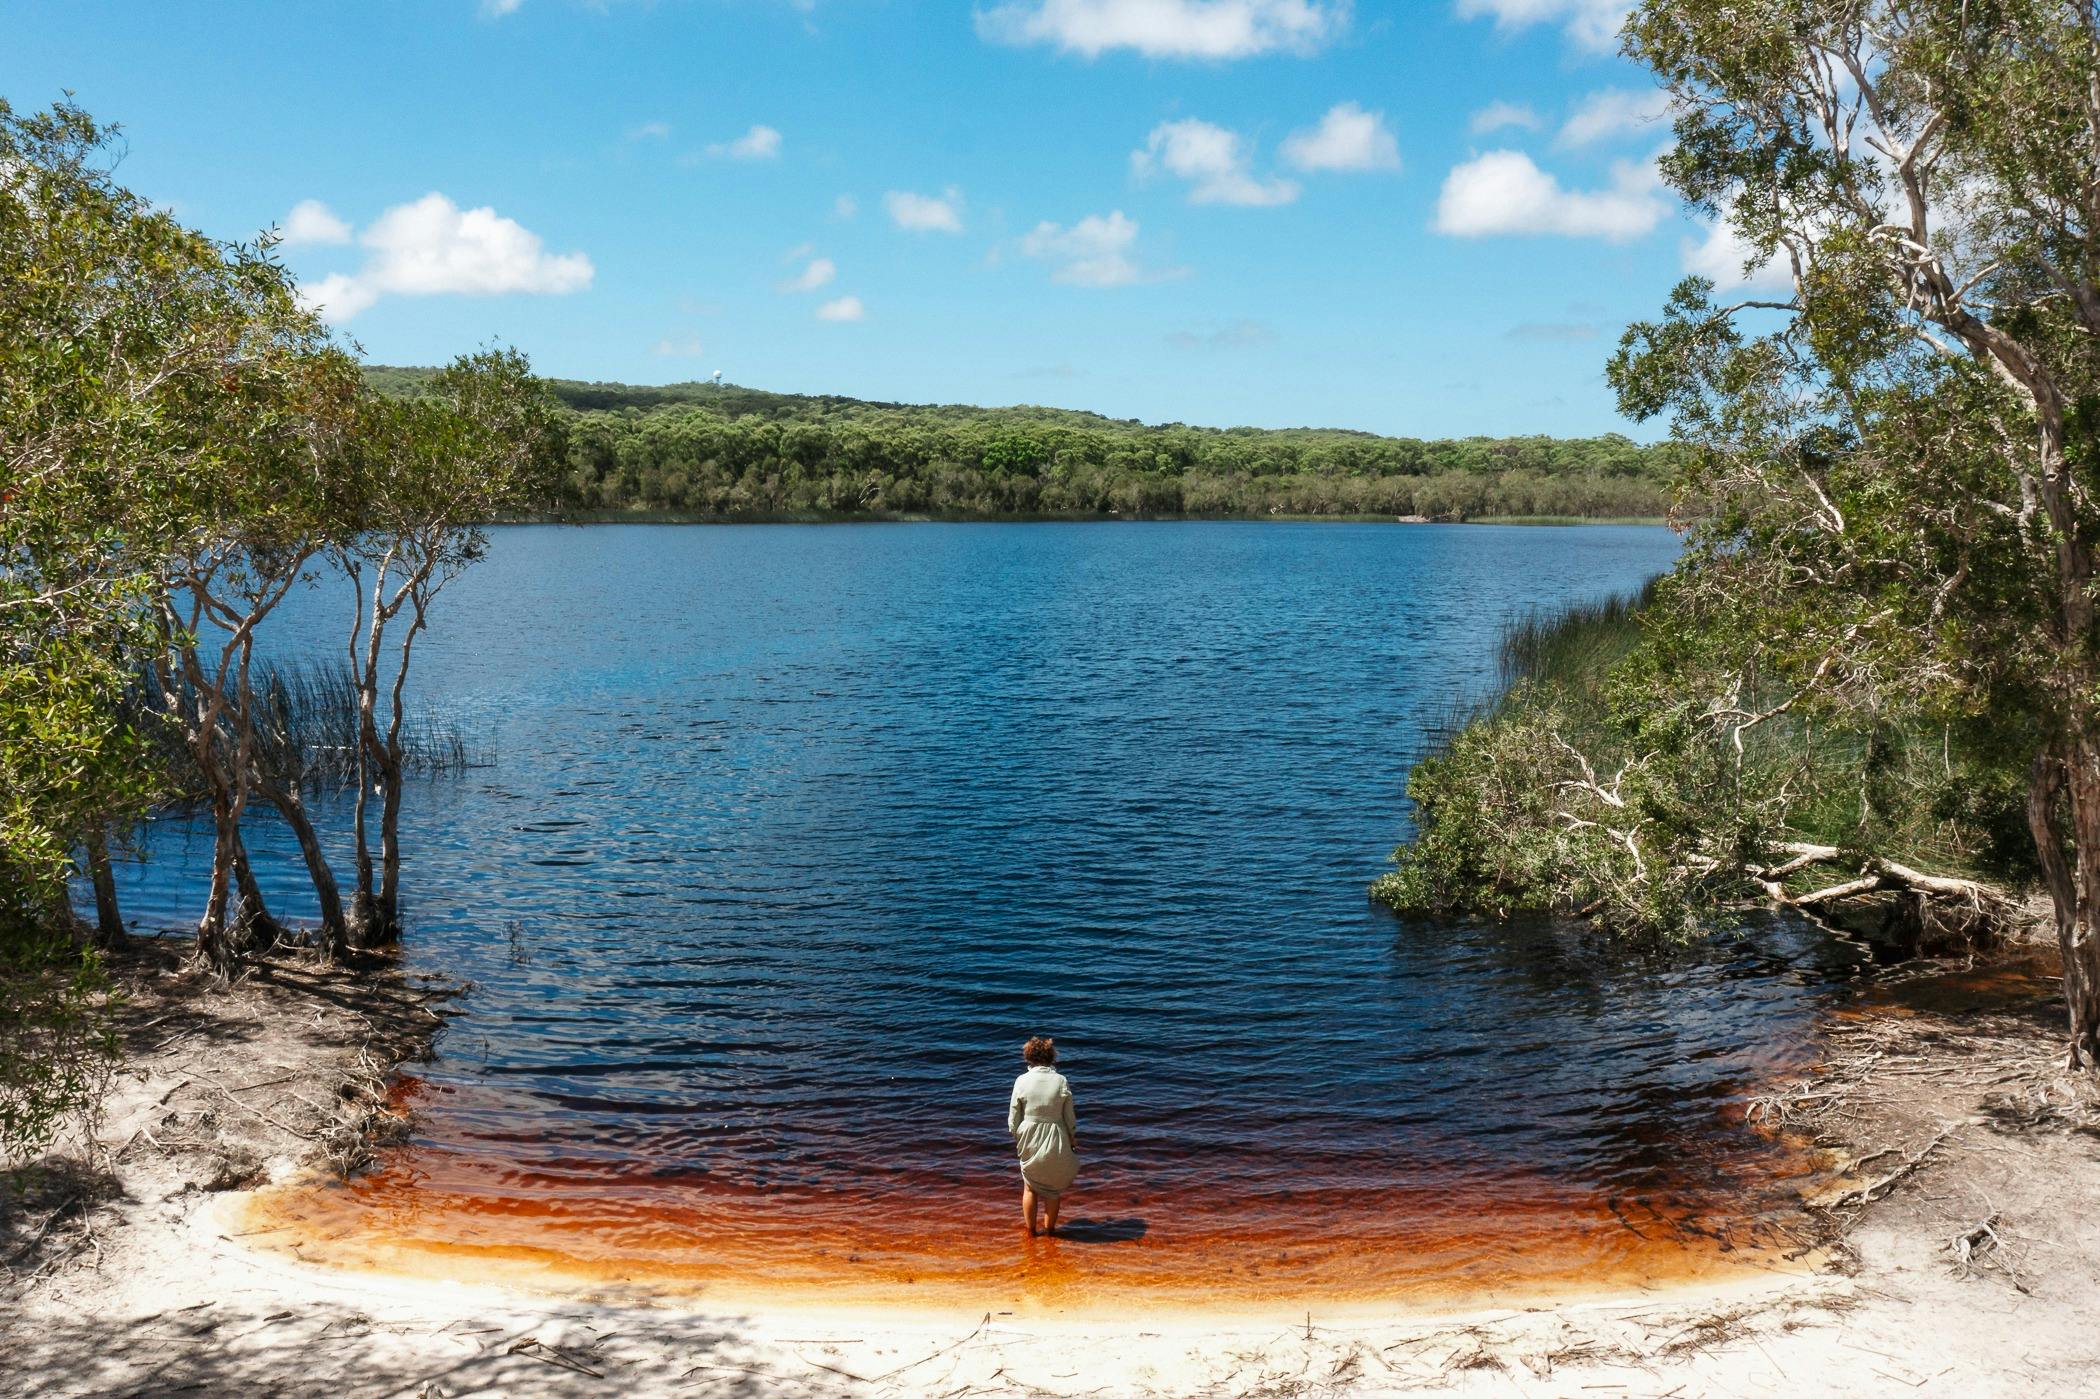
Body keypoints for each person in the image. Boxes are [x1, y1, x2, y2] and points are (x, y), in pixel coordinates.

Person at [1007, 1035, 1078, 1236]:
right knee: (1053, 1190)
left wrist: (1017, 1136)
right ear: (1051, 1056)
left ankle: (1030, 1233)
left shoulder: (1021, 1080)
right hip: (1056, 1134)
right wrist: (1072, 1137)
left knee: (1029, 1187)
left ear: (1029, 1056)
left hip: (1028, 1133)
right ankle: (1050, 1234)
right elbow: (1069, 1116)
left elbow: (1014, 1116)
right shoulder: (1060, 1081)